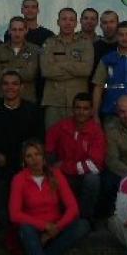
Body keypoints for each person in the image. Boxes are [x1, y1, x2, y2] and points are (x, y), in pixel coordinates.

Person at [9, 139, 90, 255]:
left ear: (43, 156)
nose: (34, 159)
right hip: (34, 228)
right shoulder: (19, 179)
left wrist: (57, 228)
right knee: (25, 228)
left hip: (56, 226)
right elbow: (15, 214)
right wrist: (44, 226)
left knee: (83, 225)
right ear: (24, 161)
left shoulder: (55, 174)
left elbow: (73, 208)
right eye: (29, 156)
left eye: (37, 154)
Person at [45, 92, 106, 220]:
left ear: (91, 111)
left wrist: (66, 167)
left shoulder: (97, 132)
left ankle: (85, 219)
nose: (81, 112)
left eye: (85, 109)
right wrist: (52, 168)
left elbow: (95, 166)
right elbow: (48, 149)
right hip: (62, 174)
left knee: (93, 179)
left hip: (83, 175)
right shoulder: (61, 126)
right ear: (73, 109)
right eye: (78, 108)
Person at [40, 8, 94, 129]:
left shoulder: (85, 44)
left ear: (76, 23)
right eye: (64, 19)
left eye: (71, 20)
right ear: (58, 22)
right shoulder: (49, 43)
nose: (68, 23)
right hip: (54, 102)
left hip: (78, 104)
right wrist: (74, 68)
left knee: (77, 138)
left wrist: (61, 64)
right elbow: (46, 70)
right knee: (53, 137)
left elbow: (86, 70)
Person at [0, 70, 45, 181]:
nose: (10, 87)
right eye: (6, 84)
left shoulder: (33, 111)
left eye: (14, 84)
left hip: (26, 164)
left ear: (21, 87)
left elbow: (39, 139)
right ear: (1, 87)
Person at [0, 16, 41, 103]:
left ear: (26, 30)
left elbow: (30, 75)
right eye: (14, 29)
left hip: (27, 100)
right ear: (9, 31)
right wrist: (20, 70)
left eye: (20, 30)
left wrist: (6, 70)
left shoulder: (35, 50)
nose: (17, 33)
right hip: (3, 100)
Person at [92, 10, 120, 80]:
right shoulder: (94, 48)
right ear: (101, 25)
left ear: (118, 24)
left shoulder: (125, 46)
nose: (108, 26)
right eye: (105, 23)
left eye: (112, 22)